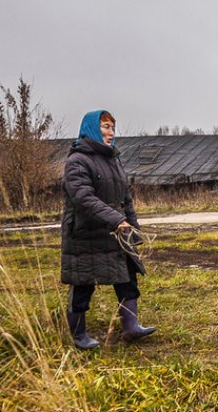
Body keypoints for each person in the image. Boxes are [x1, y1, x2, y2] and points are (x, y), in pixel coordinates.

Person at [61, 109, 156, 349]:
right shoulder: (77, 161)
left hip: (116, 232)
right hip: (86, 233)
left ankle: (131, 326)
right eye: (105, 127)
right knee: (83, 282)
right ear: (91, 128)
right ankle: (78, 334)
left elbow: (125, 198)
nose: (110, 132)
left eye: (112, 128)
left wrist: (133, 227)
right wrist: (114, 219)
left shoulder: (113, 160)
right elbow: (83, 198)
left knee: (127, 277)